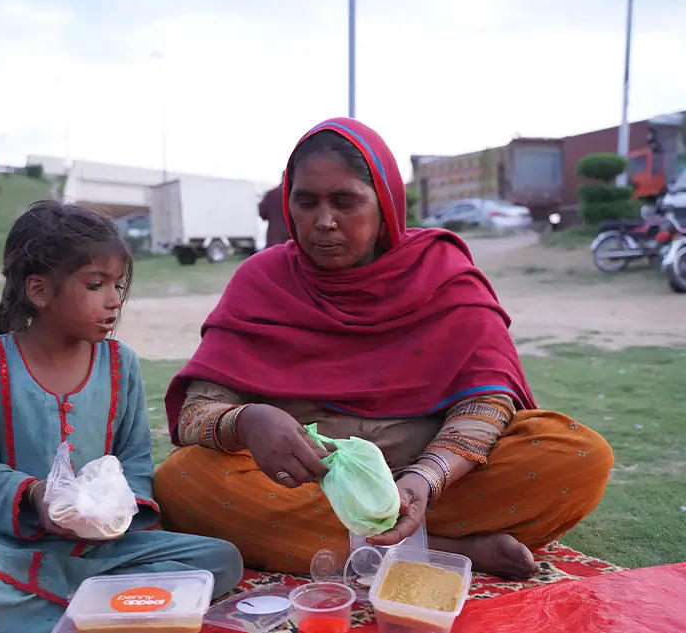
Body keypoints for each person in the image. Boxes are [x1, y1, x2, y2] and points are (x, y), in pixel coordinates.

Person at [153, 118, 612, 580]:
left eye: (345, 201)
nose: (324, 221)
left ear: (385, 203)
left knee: (577, 456)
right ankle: (451, 548)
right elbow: (197, 415)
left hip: (433, 477)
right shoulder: (262, 279)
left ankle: (355, 541)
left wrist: (426, 479)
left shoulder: (441, 270)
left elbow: (488, 400)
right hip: (310, 485)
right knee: (182, 481)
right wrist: (248, 422)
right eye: (306, 202)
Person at [0, 200, 242, 633]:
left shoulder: (121, 364)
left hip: (105, 549)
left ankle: (37, 609)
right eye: (96, 285)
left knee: (223, 559)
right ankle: (106, 608)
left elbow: (134, 459)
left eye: (118, 285)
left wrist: (113, 512)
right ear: (40, 291)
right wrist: (37, 497)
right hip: (11, 547)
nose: (115, 301)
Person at [258, 183, 287, 249]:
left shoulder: (271, 194)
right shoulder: (295, 194)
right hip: (292, 239)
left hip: (274, 239)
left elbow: (262, 213)